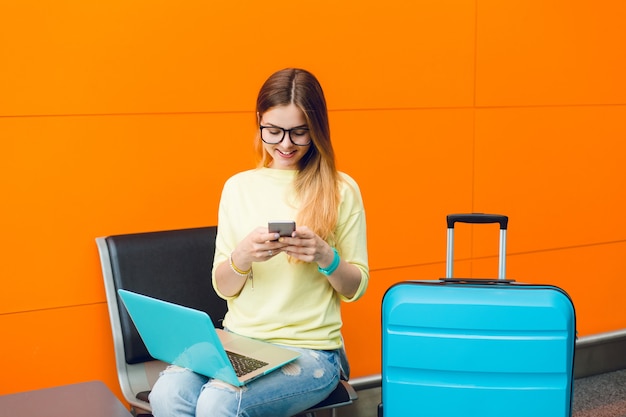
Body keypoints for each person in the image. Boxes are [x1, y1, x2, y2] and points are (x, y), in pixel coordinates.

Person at [149, 68, 369, 417]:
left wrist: (326, 257)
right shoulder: (238, 187)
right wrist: (243, 257)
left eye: (299, 133)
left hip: (311, 350)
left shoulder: (341, 189)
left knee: (218, 404)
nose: (285, 144)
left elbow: (356, 287)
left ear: (317, 129)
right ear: (259, 122)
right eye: (274, 131)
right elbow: (224, 287)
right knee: (166, 396)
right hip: (239, 341)